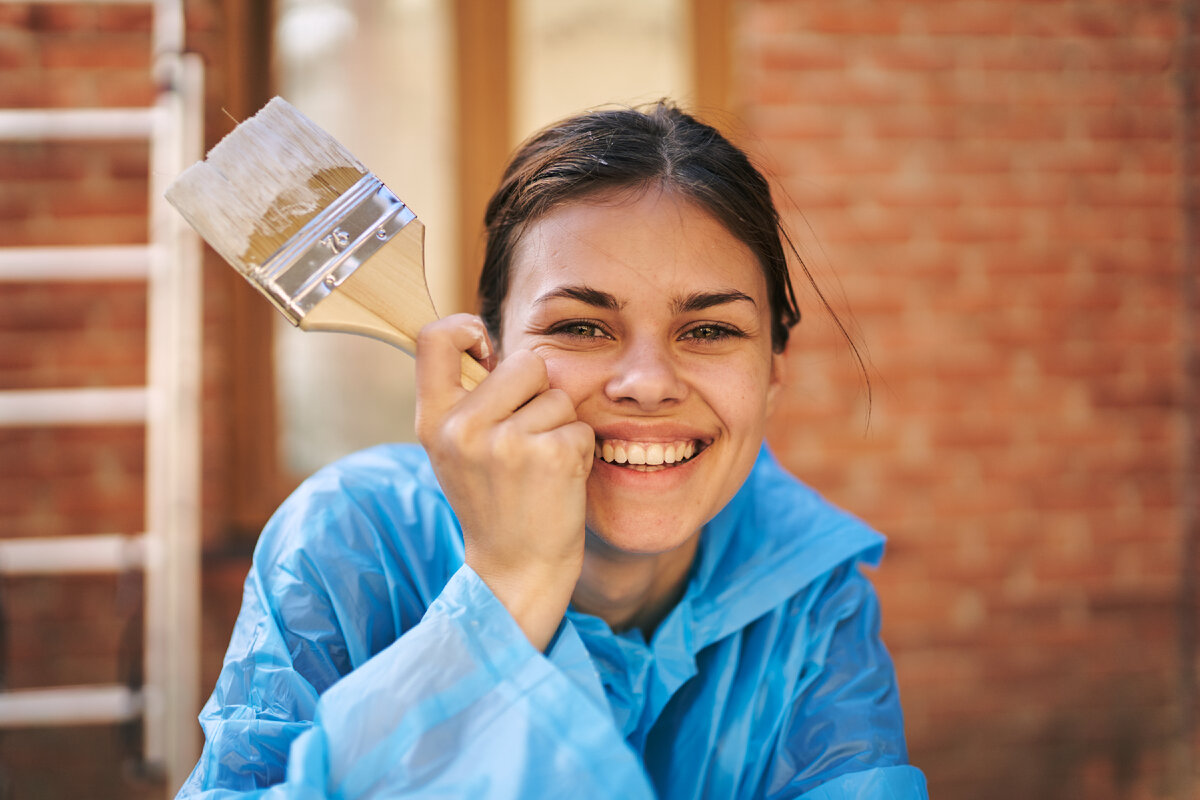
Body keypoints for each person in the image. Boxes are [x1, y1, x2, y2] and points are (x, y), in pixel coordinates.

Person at [177, 102, 929, 799]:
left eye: (709, 331)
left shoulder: (811, 591)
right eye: (579, 326)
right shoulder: (349, 545)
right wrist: (509, 585)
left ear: (771, 379)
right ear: (488, 357)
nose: (647, 383)